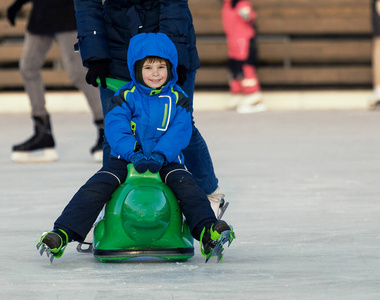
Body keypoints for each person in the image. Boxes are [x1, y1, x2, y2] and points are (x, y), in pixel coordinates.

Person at [36, 33, 235, 263]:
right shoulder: (125, 96)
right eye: (148, 67)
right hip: (127, 160)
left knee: (187, 186)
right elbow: (115, 127)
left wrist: (161, 154)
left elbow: (180, 131)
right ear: (136, 68)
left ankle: (207, 231)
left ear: (170, 68)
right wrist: (133, 151)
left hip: (166, 161)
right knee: (97, 186)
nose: (155, 73)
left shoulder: (178, 98)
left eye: (161, 67)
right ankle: (62, 233)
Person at [73, 0, 226, 216]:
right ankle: (114, 208)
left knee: (181, 123)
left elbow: (174, 4)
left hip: (169, 42)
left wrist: (176, 57)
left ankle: (210, 194)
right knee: (115, 128)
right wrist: (96, 53)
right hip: (117, 43)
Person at [7, 0, 104, 162]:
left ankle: (105, 129)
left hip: (66, 12)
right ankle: (43, 131)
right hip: (42, 12)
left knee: (78, 73)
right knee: (28, 66)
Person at [221, 0, 266, 113]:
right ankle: (237, 93)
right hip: (233, 43)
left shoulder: (243, 4)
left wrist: (246, 14)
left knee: (246, 68)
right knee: (234, 68)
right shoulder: (227, 5)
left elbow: (248, 16)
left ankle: (253, 96)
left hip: (244, 41)